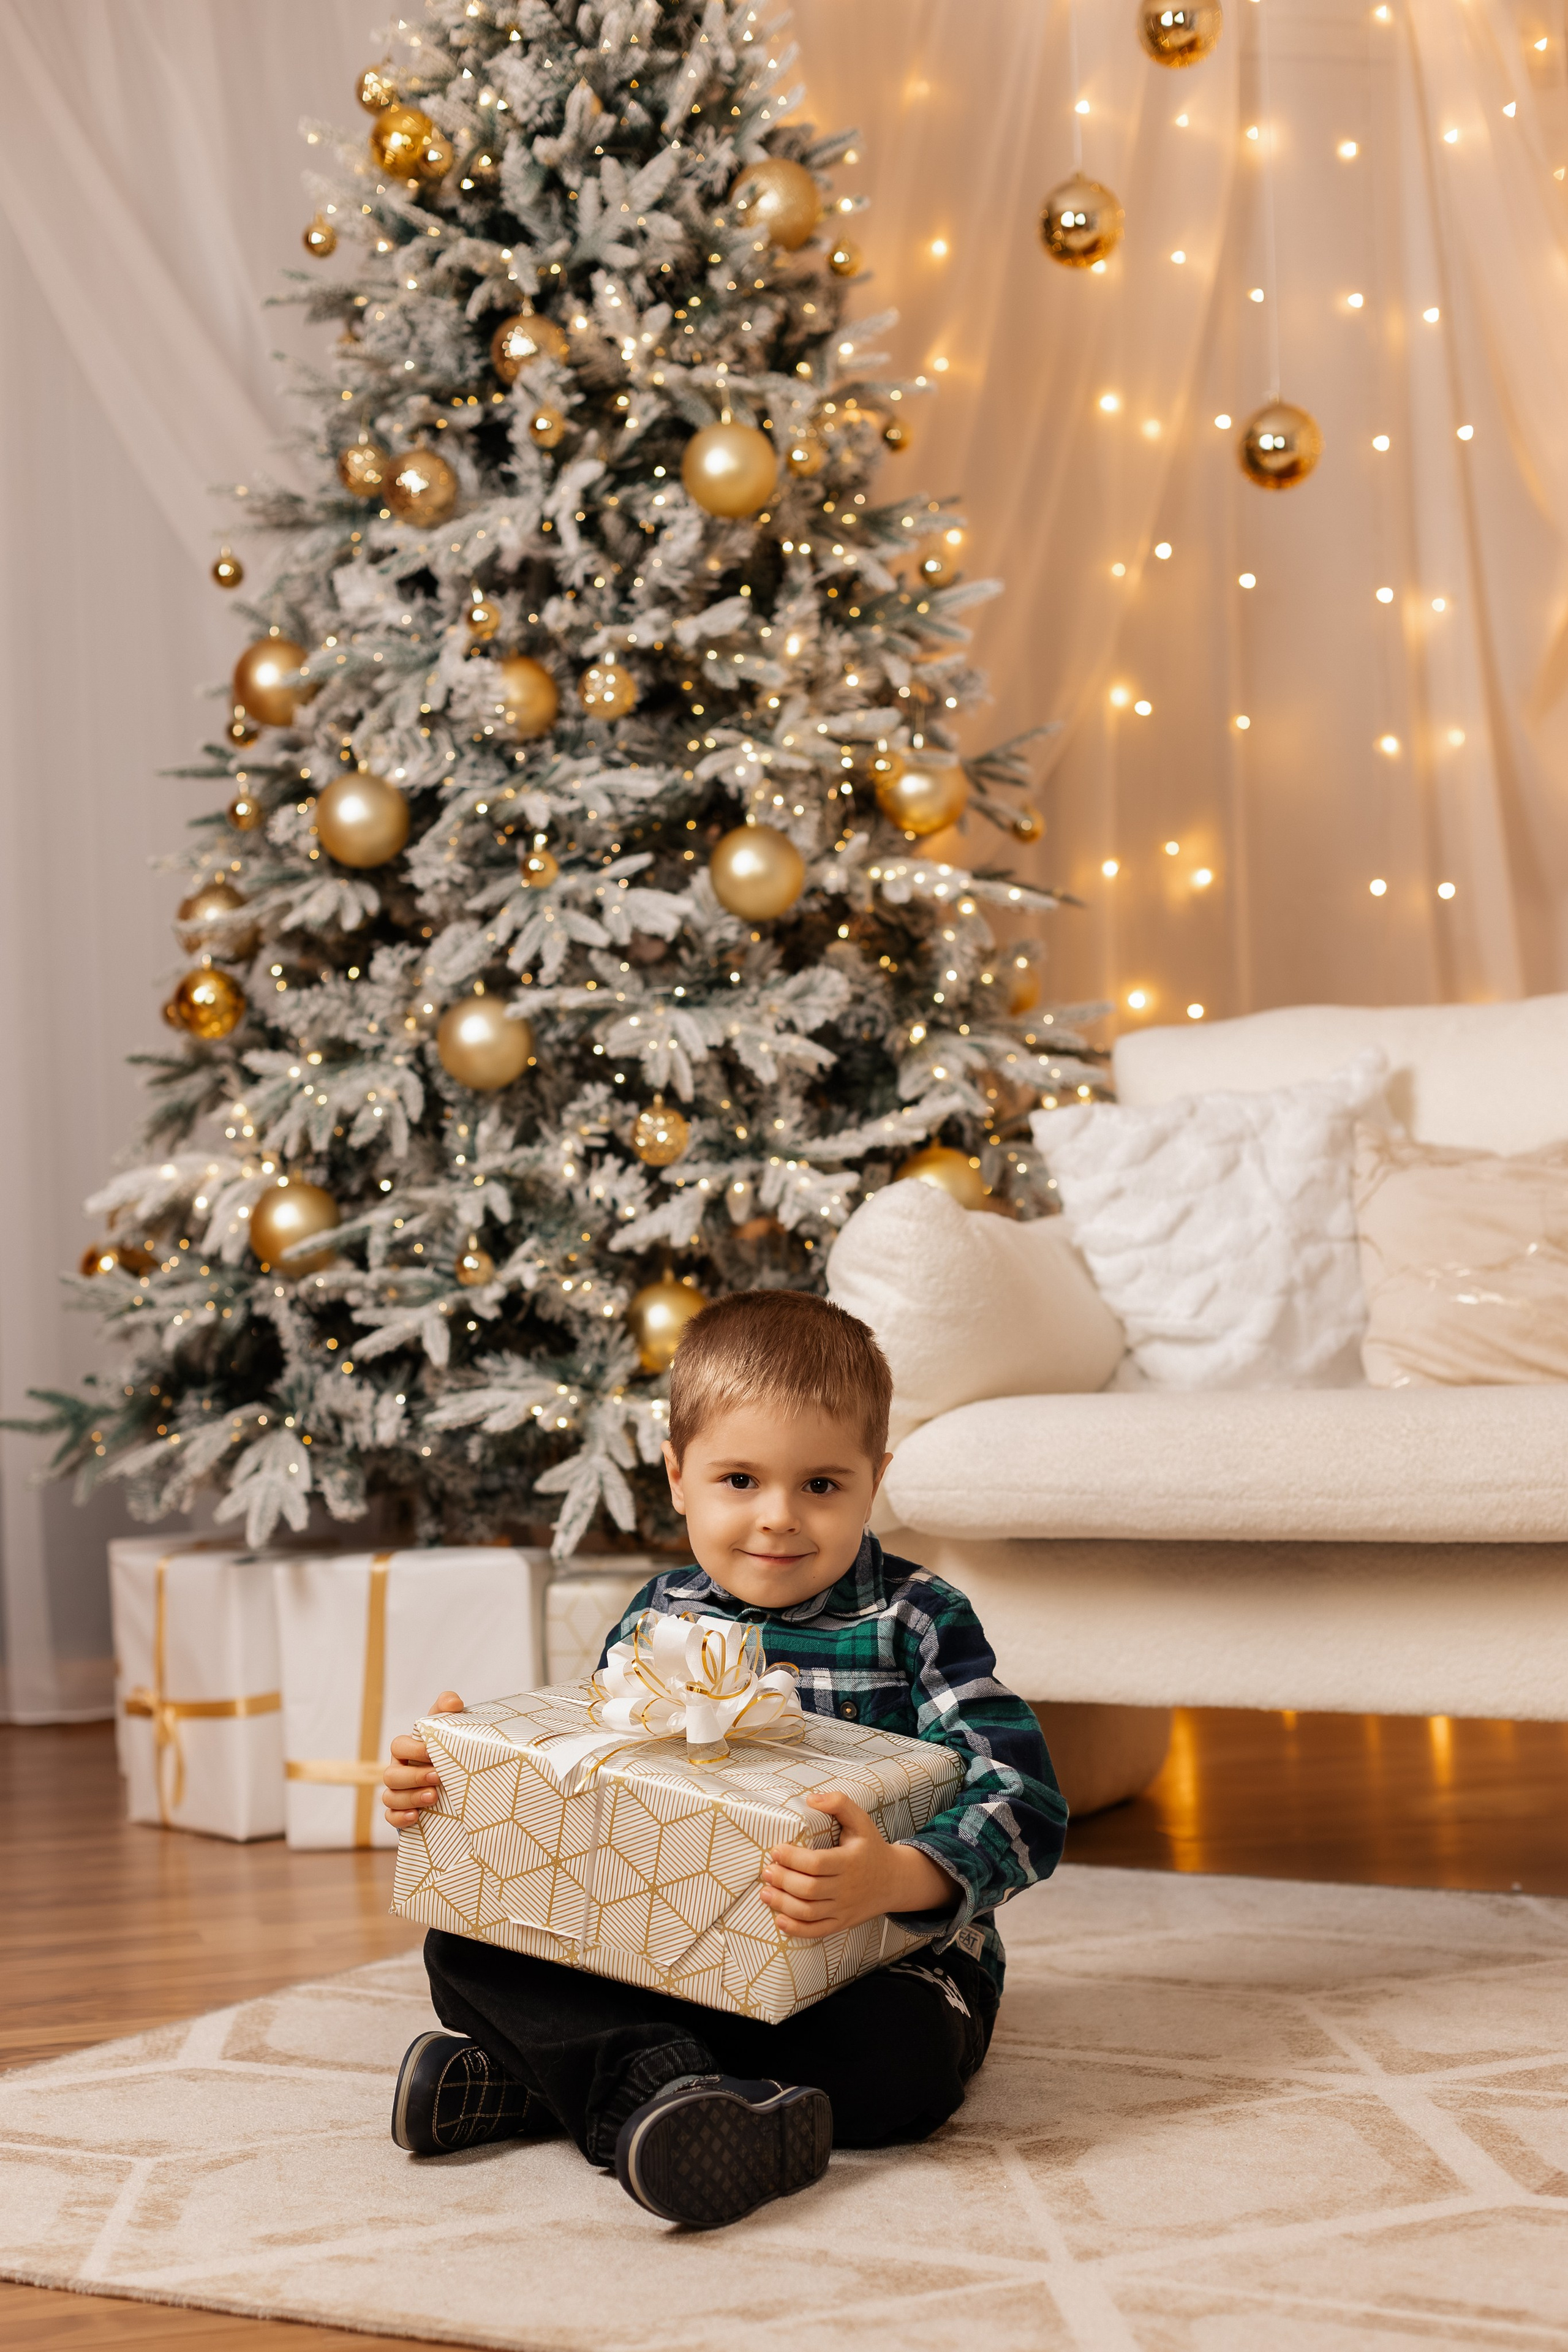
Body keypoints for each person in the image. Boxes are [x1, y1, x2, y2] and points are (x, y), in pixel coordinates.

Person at [382, 1288, 1066, 2228]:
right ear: (677, 1476)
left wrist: (899, 1878)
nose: (779, 1518)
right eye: (739, 1481)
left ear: (876, 1478)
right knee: (460, 1942)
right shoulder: (658, 1615)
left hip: (865, 1970)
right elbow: (594, 1779)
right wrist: (465, 1779)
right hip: (670, 1950)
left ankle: (558, 2082)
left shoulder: (918, 1620)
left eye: (822, 1485)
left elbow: (1025, 1797)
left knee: (901, 2067)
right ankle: (664, 2093)